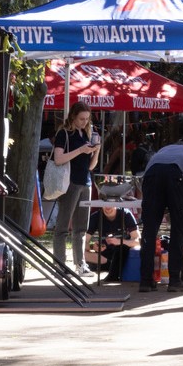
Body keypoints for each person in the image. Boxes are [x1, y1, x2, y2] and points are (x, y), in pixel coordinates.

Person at [138, 120, 183, 292]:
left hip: (152, 176)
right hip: (179, 177)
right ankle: (175, 280)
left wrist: (161, 204)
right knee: (178, 231)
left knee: (149, 231)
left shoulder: (162, 151)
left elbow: (145, 184)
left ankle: (146, 281)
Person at [50, 102, 100, 273]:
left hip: (85, 182)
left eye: (87, 119)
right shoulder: (64, 133)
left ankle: (80, 264)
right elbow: (58, 159)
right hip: (69, 183)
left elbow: (91, 166)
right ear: (73, 117)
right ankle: (60, 264)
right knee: (63, 226)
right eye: (81, 119)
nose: (84, 122)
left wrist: (96, 150)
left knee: (81, 228)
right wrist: (80, 150)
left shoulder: (86, 133)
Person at [85, 203, 140, 282]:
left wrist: (120, 241)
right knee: (80, 252)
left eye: (111, 204)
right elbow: (82, 242)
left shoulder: (125, 214)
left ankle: (111, 270)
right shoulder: (95, 216)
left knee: (122, 248)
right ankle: (109, 265)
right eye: (104, 204)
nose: (107, 207)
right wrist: (92, 246)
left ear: (117, 203)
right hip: (103, 256)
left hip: (122, 254)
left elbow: (138, 241)